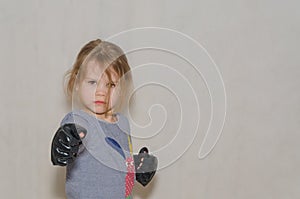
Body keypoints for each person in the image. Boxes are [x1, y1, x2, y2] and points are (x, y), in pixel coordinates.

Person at [50, 39, 158, 199]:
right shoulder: (80, 121)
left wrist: (136, 166)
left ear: (122, 88)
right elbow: (71, 133)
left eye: (110, 85)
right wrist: (64, 140)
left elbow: (112, 161)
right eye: (92, 82)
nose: (101, 92)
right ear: (77, 82)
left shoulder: (122, 123)